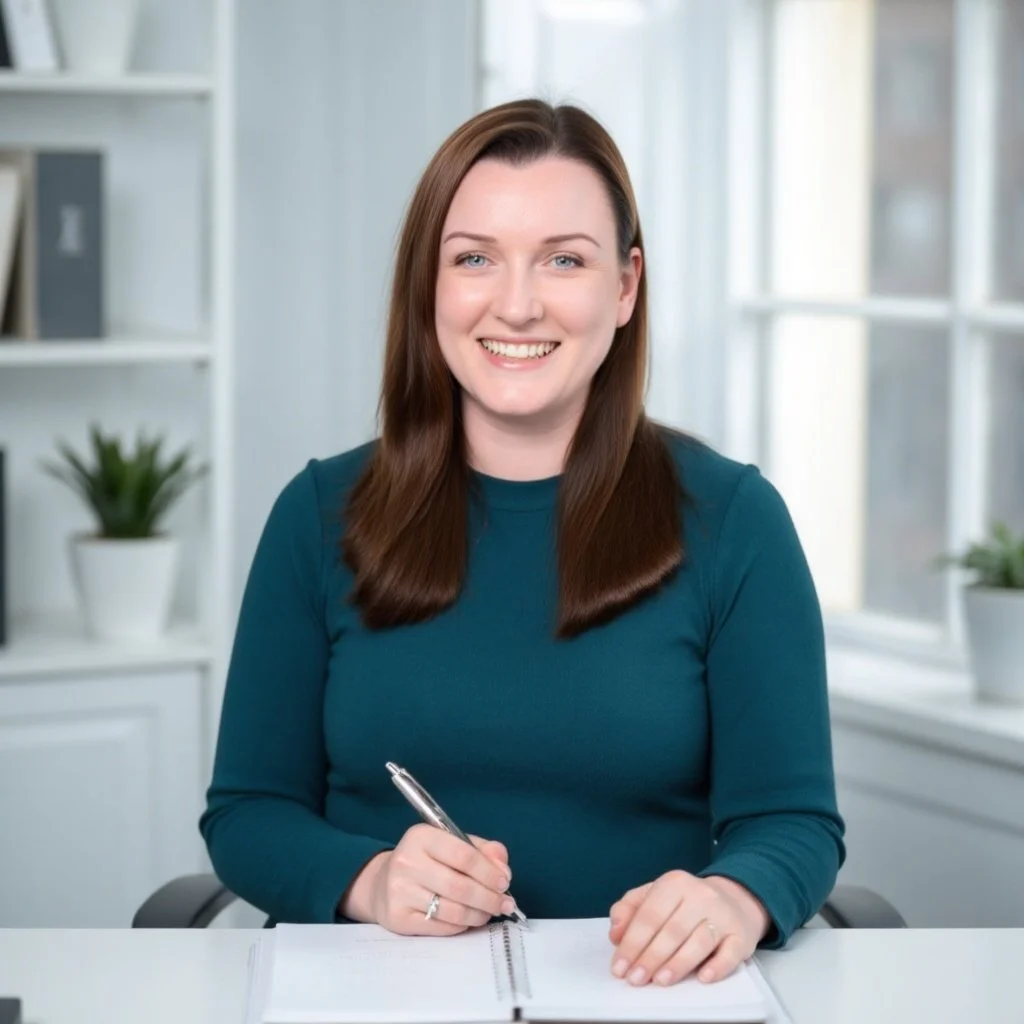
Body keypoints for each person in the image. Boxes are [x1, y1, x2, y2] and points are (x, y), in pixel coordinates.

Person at [200, 98, 845, 990]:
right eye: (474, 259)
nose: (516, 304)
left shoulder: (735, 519)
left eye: (564, 261)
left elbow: (795, 821)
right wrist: (372, 880)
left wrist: (734, 897)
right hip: (374, 994)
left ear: (623, 289)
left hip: (641, 999)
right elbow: (248, 813)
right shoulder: (318, 514)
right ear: (430, 285)